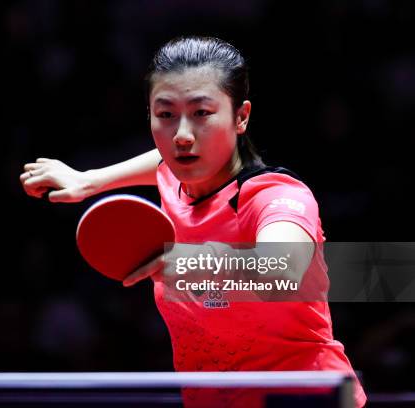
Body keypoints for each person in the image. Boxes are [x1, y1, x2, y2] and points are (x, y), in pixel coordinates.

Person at [20, 36, 366, 407]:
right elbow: (161, 163)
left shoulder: (274, 196)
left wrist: (187, 261)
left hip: (308, 399)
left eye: (202, 113)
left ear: (241, 116)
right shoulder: (177, 179)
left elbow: (284, 265)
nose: (182, 136)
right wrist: (90, 180)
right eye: (165, 114)